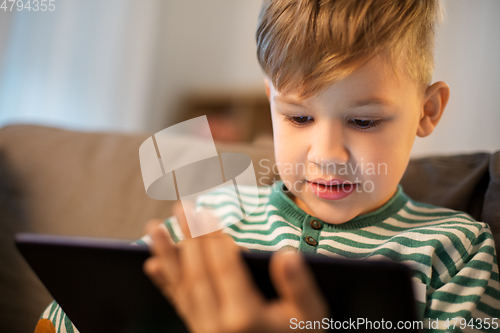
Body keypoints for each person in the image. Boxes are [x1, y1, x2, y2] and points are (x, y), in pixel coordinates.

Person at [35, 0, 500, 332]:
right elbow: (66, 317)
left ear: (428, 110)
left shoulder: (456, 251)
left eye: (363, 120)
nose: (326, 155)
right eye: (299, 117)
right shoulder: (207, 223)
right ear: (271, 104)